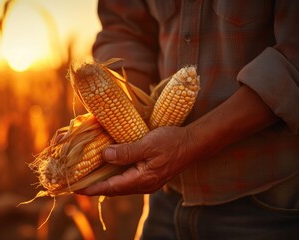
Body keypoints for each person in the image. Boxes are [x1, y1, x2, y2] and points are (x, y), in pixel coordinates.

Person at [77, 1, 299, 239]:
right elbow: (126, 28)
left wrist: (189, 142)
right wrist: (123, 111)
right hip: (164, 199)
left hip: (265, 203)